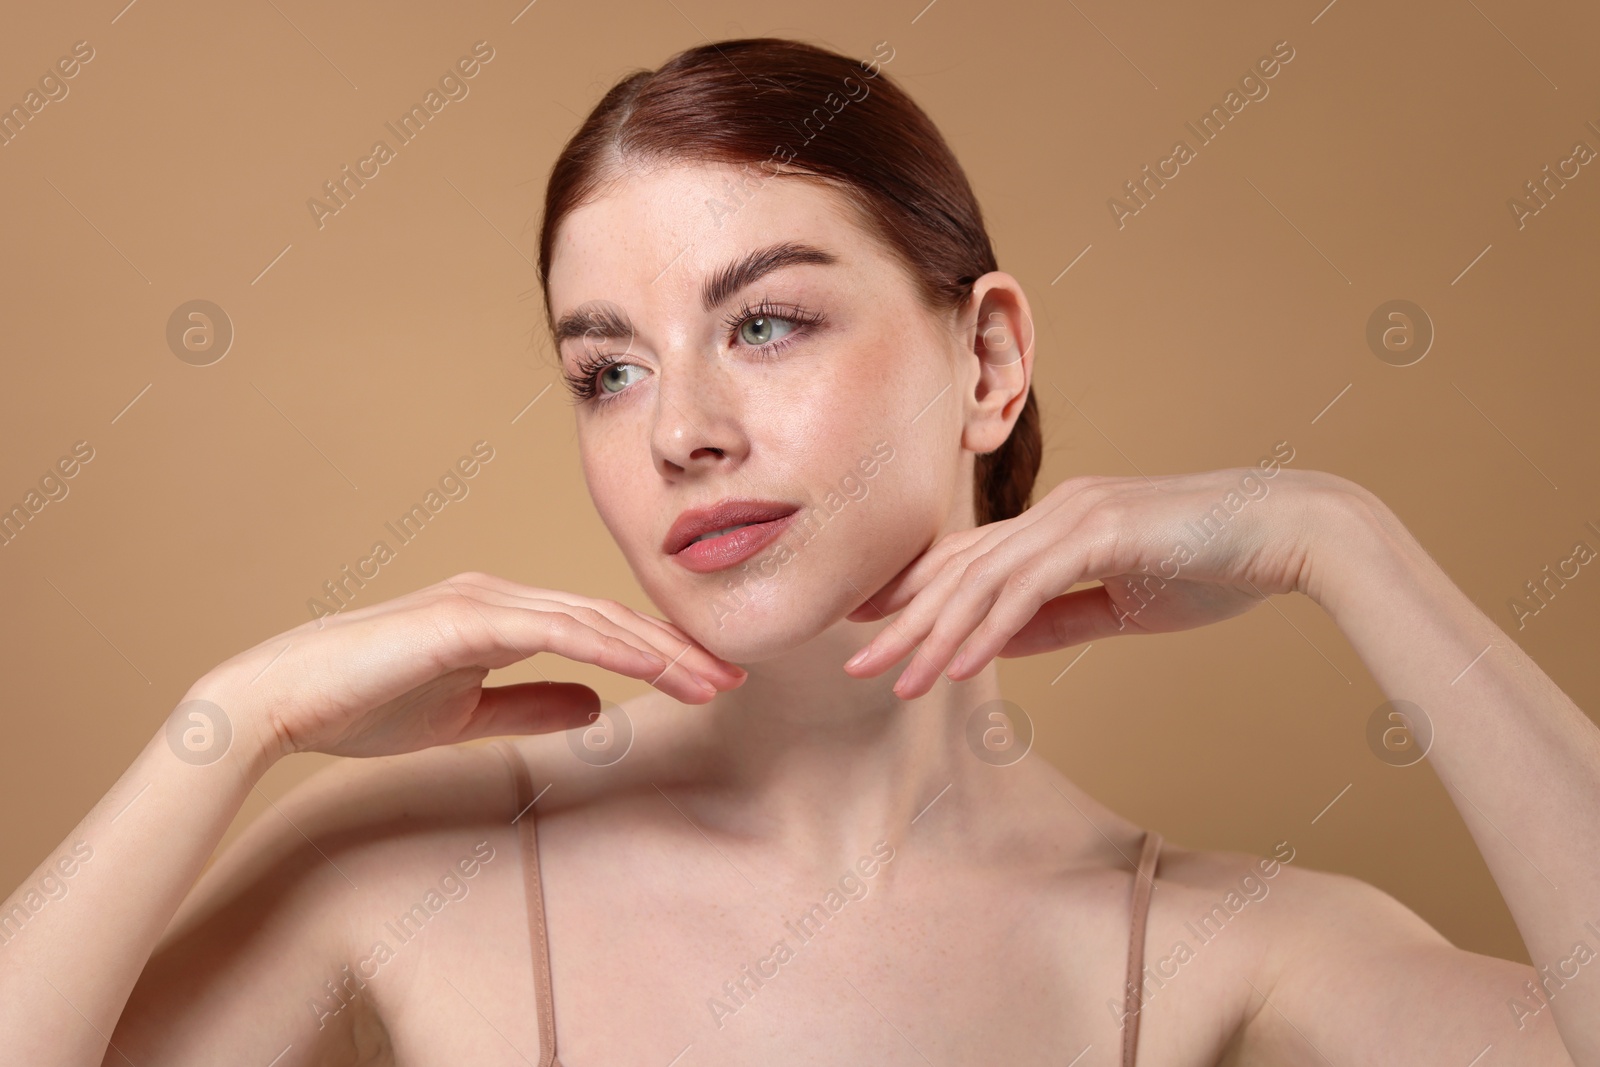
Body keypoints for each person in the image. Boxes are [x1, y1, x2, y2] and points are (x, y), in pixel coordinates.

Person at [3, 36, 1594, 1067]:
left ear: (985, 362)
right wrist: (237, 717)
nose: (679, 429)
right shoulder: (402, 876)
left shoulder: (1220, 947)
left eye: (764, 321)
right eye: (605, 368)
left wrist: (1346, 543)